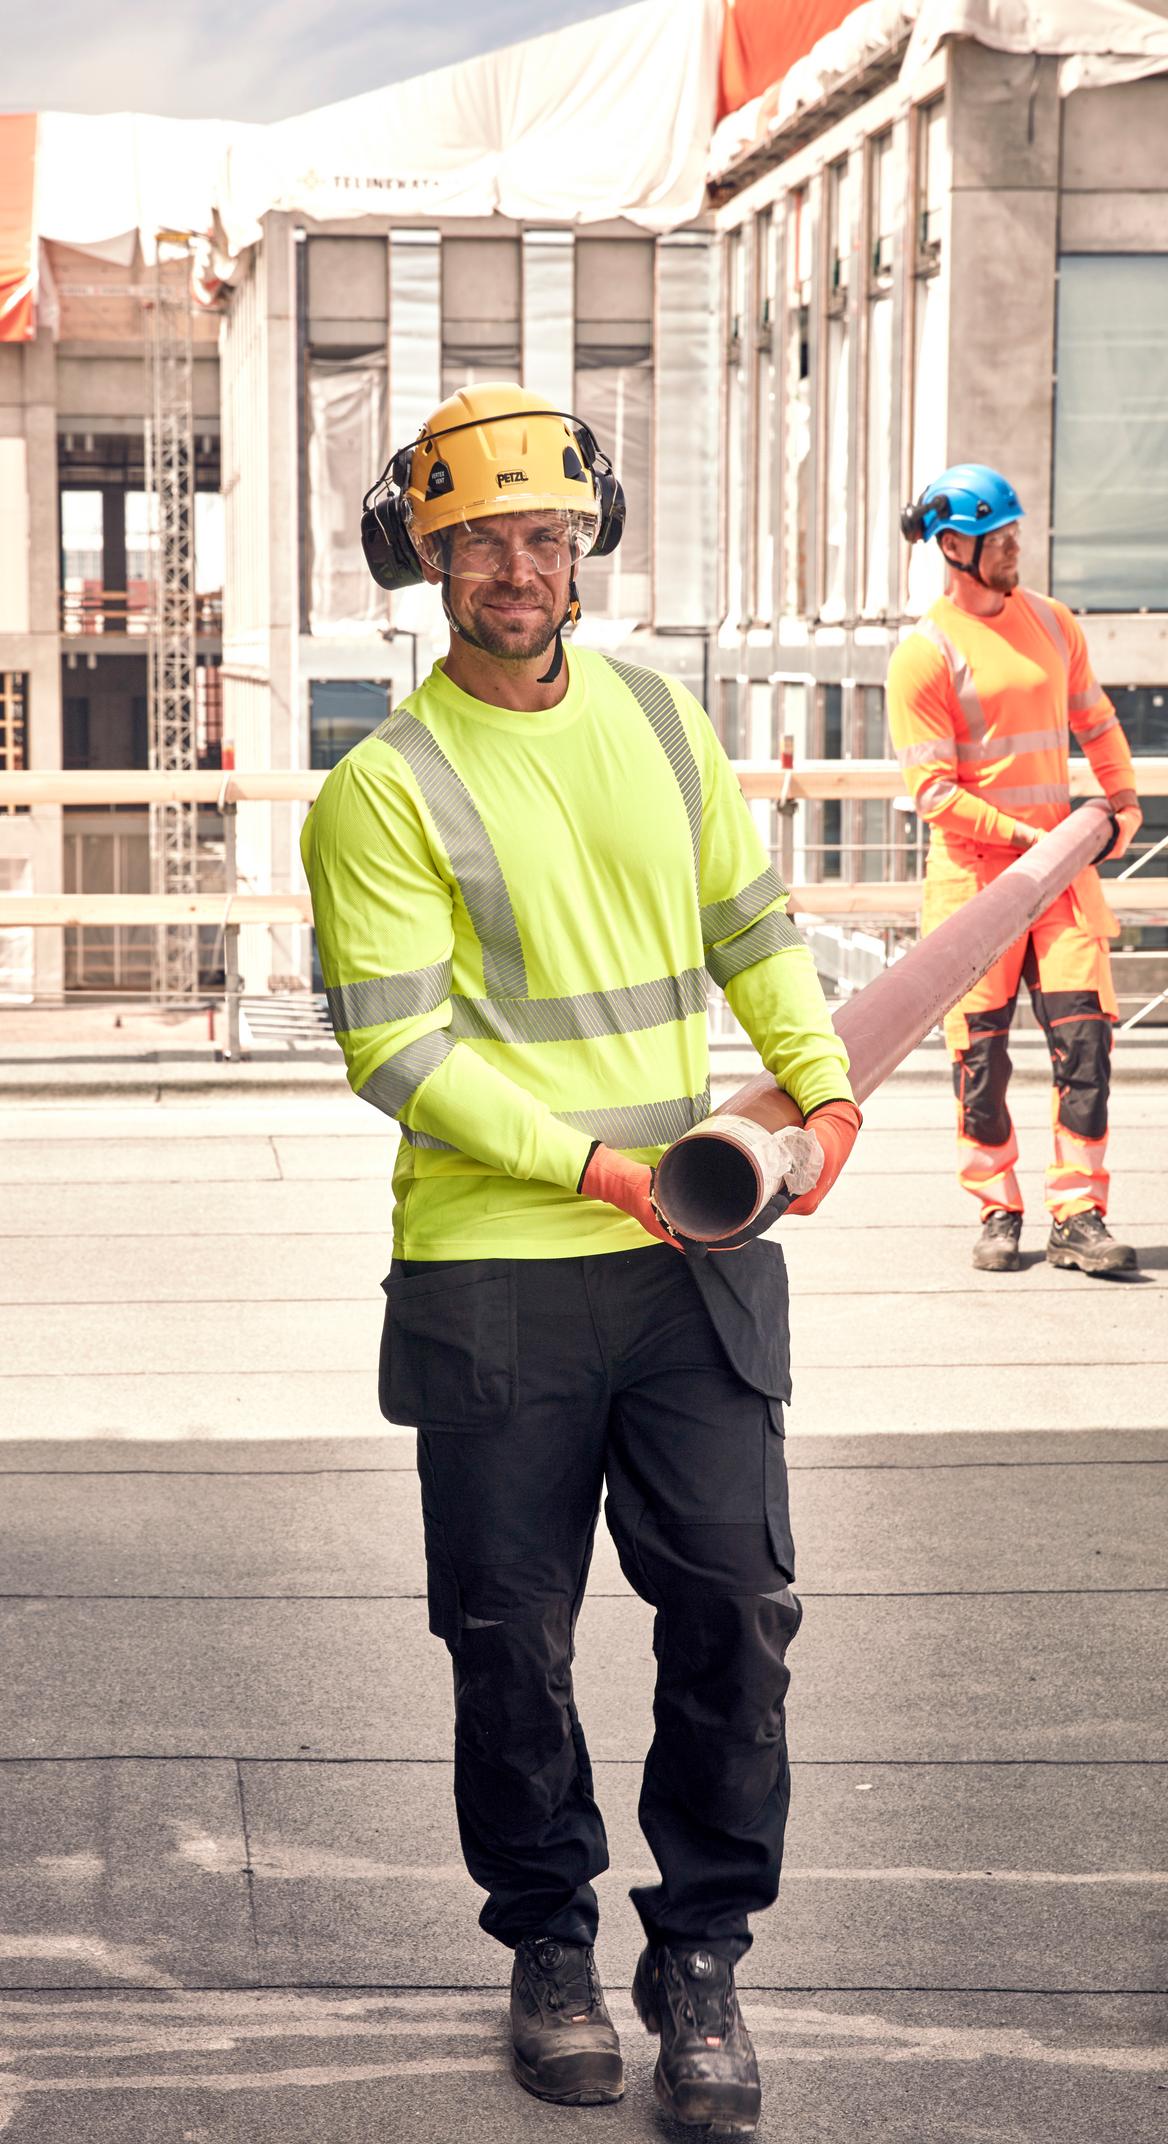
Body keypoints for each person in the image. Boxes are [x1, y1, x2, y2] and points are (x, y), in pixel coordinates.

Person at [302, 383, 862, 2132]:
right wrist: (592, 1165)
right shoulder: (381, 791)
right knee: (510, 1633)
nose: (519, 570)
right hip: (497, 1265)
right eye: (481, 543)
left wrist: (826, 1095)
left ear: (585, 545)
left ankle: (698, 1953)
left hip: (693, 1247)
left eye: (546, 537)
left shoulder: (662, 720)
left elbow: (748, 928)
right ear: (432, 562)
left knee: (731, 1605)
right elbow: (398, 1051)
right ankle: (546, 1942)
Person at [890, 465, 1142, 1275]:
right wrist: (1026, 842)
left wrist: (1124, 802)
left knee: (1086, 1045)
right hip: (976, 886)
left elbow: (1097, 724)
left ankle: (1079, 1212)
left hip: (1061, 880)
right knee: (981, 1060)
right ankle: (998, 1208)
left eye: (1015, 534)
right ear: (954, 547)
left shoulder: (1053, 623)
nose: (1014, 548)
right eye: (999, 538)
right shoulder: (923, 655)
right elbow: (932, 793)